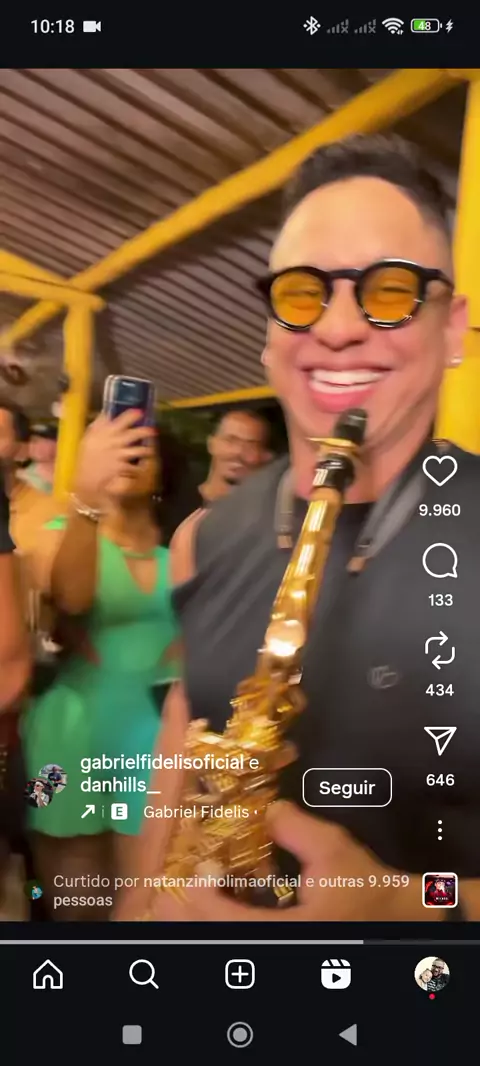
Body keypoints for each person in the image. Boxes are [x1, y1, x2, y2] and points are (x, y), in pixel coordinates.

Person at [117, 133, 480, 924]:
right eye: (303, 292)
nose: (338, 327)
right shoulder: (203, 537)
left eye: (390, 290)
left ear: (453, 329)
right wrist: (136, 922)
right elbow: (182, 750)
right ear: (269, 333)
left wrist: (405, 908)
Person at [22, 410, 181, 919]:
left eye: (142, 448)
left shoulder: (183, 550)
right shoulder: (57, 533)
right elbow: (70, 599)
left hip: (156, 746)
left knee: (149, 903)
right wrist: (86, 499)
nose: (129, 457)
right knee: (75, 906)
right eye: (117, 443)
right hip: (68, 741)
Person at [196, 408, 273, 507]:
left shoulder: (268, 511)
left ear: (265, 456)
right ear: (211, 444)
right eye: (230, 440)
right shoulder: (178, 499)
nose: (238, 452)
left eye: (251, 445)